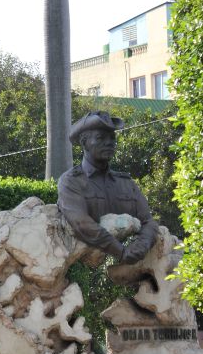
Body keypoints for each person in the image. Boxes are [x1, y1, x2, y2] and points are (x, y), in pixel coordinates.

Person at [57, 111, 159, 264]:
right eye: (101, 138)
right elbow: (82, 224)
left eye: (112, 138)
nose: (109, 143)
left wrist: (141, 246)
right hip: (86, 271)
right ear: (84, 142)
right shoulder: (71, 181)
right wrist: (120, 251)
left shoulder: (126, 182)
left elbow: (149, 221)